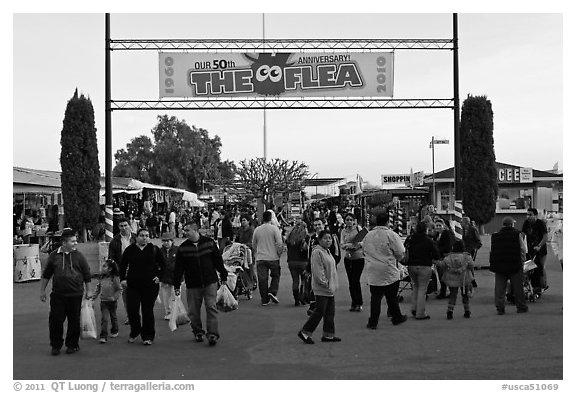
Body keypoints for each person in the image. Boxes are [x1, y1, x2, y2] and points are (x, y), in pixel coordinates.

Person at [174, 222, 228, 346]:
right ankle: (198, 331)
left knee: (211, 307)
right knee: (193, 311)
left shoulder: (209, 243)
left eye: (187, 230)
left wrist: (223, 273)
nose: (184, 232)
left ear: (195, 230)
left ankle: (212, 334)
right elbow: (179, 268)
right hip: (193, 284)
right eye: (184, 230)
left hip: (210, 281)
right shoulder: (183, 248)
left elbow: (217, 260)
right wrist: (176, 284)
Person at [40, 229, 92, 355]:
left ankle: (72, 345)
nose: (75, 243)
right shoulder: (53, 255)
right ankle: (56, 345)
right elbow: (47, 274)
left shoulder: (79, 256)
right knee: (56, 320)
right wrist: (42, 290)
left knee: (74, 320)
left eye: (76, 241)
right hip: (58, 294)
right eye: (72, 241)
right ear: (64, 242)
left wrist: (89, 290)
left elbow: (86, 274)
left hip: (75, 294)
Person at [119, 228, 165, 345]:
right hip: (133, 285)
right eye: (142, 235)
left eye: (147, 235)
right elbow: (123, 265)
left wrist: (160, 276)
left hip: (150, 285)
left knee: (147, 310)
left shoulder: (154, 249)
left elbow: (163, 265)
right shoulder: (130, 250)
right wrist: (123, 279)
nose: (144, 237)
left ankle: (148, 336)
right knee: (132, 309)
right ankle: (135, 331)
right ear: (137, 237)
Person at [362, 212, 407, 328]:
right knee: (391, 297)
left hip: (373, 269)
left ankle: (373, 322)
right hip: (388, 268)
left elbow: (364, 250)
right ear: (387, 222)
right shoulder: (391, 235)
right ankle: (396, 317)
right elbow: (400, 251)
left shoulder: (368, 235)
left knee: (375, 298)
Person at [297, 230, 340, 344]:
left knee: (330, 312)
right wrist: (324, 282)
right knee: (319, 311)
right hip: (322, 287)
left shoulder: (327, 251)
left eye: (329, 238)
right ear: (320, 240)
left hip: (330, 287)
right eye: (325, 238)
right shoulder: (317, 252)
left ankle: (328, 335)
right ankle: (305, 332)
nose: (328, 240)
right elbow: (317, 270)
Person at [489, 216, 529, 315]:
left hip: (499, 266)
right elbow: (523, 249)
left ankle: (500, 308)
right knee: (518, 287)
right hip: (514, 264)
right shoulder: (517, 235)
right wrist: (523, 261)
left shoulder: (495, 236)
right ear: (511, 224)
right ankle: (521, 307)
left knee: (499, 288)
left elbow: (492, 251)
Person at [405, 221, 441, 319]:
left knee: (415, 287)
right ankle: (420, 313)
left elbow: (404, 249)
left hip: (411, 266)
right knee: (422, 289)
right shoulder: (428, 240)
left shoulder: (410, 239)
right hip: (425, 266)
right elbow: (436, 254)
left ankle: (414, 308)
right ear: (425, 230)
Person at [108, 217, 137, 326]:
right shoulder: (115, 241)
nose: (124, 228)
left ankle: (135, 313)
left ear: (130, 226)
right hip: (123, 271)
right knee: (126, 295)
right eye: (121, 226)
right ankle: (130, 316)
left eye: (125, 225)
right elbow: (111, 258)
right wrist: (114, 273)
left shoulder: (136, 238)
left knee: (137, 294)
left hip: (137, 270)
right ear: (118, 227)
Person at [436, 240, 474, 319]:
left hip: (451, 279)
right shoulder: (466, 256)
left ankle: (450, 311)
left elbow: (442, 265)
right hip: (464, 278)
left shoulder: (448, 257)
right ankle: (467, 311)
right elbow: (471, 266)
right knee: (465, 295)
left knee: (453, 295)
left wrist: (435, 262)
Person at [253, 210, 284, 305]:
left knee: (262, 279)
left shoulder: (257, 230)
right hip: (273, 257)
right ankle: (272, 291)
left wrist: (256, 254)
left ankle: (264, 299)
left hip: (260, 257)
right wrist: (279, 254)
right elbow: (279, 243)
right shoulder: (275, 229)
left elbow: (254, 244)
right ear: (271, 218)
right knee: (276, 275)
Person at [92, 259, 122, 343]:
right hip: (104, 301)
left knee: (113, 316)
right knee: (104, 319)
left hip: (112, 302)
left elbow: (119, 289)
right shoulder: (102, 277)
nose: (102, 268)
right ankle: (103, 336)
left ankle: (115, 329)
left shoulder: (114, 278)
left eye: (104, 266)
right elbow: (98, 288)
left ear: (110, 269)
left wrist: (114, 297)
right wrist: (93, 297)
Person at [340, 213, 365, 312]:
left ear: (354, 220)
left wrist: (355, 245)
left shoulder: (359, 229)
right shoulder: (343, 231)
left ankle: (359, 302)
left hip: (358, 258)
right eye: (347, 220)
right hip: (348, 258)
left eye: (351, 219)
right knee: (351, 282)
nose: (349, 222)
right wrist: (349, 246)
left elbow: (363, 242)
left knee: (356, 280)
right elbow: (342, 244)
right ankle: (353, 302)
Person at [522, 208, 549, 295]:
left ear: (536, 216)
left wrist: (539, 246)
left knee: (540, 266)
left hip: (540, 249)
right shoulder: (526, 223)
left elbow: (545, 237)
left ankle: (543, 284)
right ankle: (533, 285)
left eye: (530, 215)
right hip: (530, 250)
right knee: (530, 268)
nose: (528, 216)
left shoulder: (541, 224)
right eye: (527, 214)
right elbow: (522, 234)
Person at [285, 221, 310, 306]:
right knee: (304, 280)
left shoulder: (290, 237)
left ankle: (296, 299)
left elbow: (288, 248)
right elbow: (307, 250)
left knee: (295, 280)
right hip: (303, 262)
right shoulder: (306, 237)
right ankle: (302, 297)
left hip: (292, 261)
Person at [433, 218, 455, 299]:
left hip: (445, 257)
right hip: (439, 257)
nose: (438, 227)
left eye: (440, 225)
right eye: (437, 225)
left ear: (443, 226)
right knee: (441, 275)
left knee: (445, 276)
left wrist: (437, 250)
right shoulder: (436, 235)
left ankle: (446, 292)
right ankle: (444, 291)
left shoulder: (447, 234)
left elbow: (448, 247)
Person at [159, 232, 179, 320]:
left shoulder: (178, 250)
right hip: (164, 278)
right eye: (164, 241)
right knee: (166, 297)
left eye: (168, 241)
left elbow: (180, 264)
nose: (166, 243)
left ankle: (176, 313)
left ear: (172, 241)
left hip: (176, 278)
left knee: (176, 296)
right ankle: (168, 312)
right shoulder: (159, 251)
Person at [236, 214, 257, 289]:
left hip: (249, 250)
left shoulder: (252, 230)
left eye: (244, 220)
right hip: (240, 249)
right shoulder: (240, 230)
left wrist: (245, 245)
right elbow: (237, 238)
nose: (243, 222)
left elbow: (252, 242)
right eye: (242, 220)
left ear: (248, 221)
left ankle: (254, 281)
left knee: (250, 266)